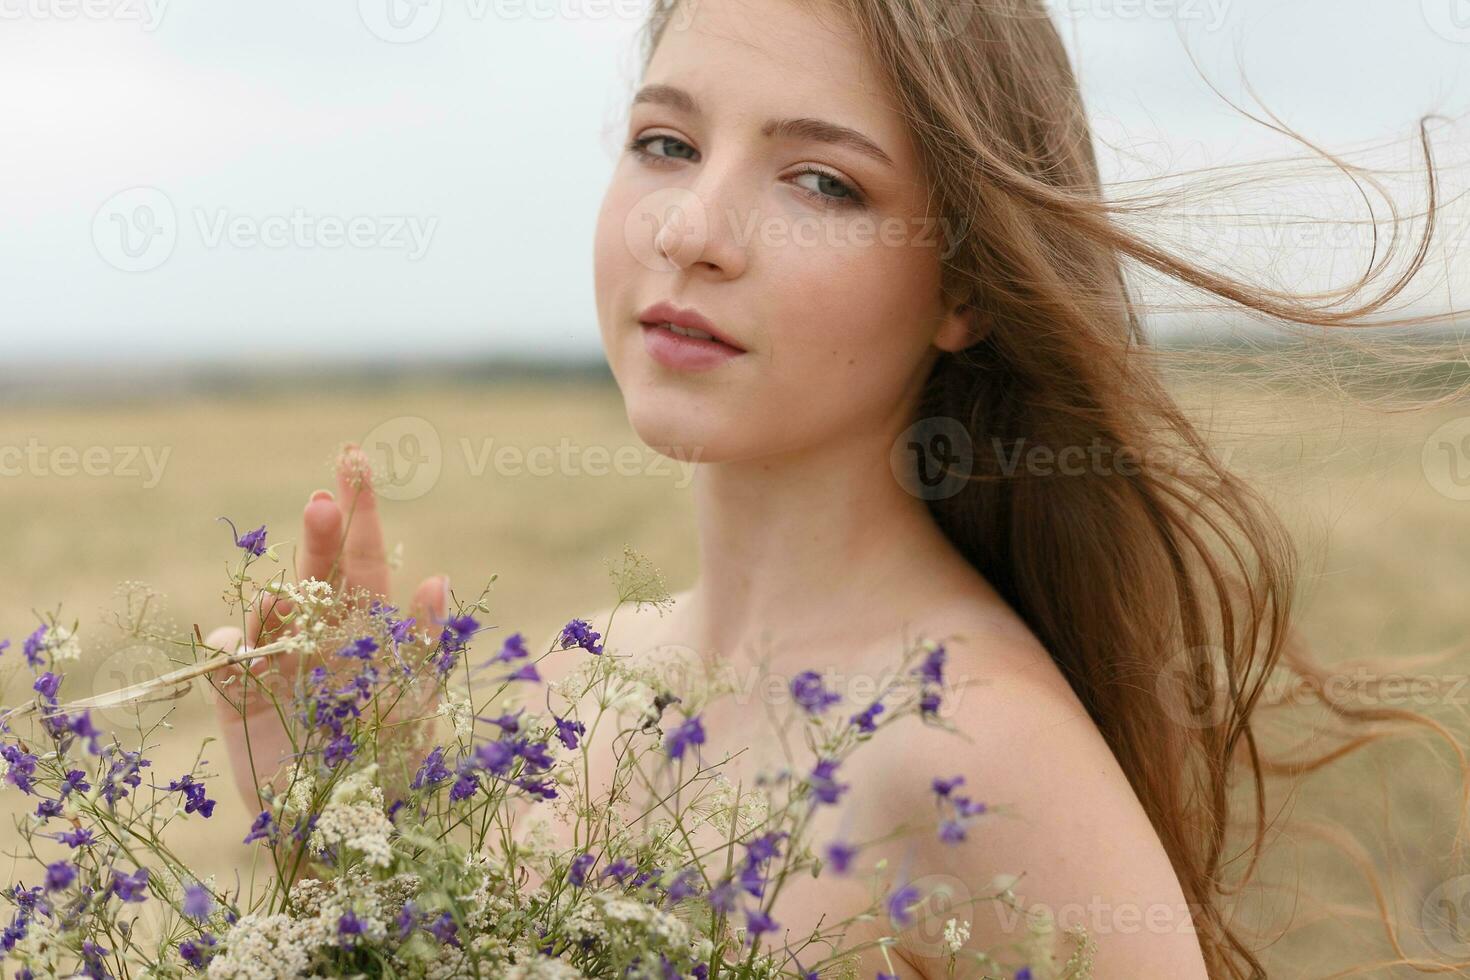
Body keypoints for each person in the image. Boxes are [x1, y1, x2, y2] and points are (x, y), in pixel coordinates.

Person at [208, 0, 1467, 976]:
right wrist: (338, 824)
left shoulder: (978, 748)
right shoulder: (596, 678)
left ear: (966, 288)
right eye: (666, 142)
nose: (692, 226)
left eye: (822, 180)